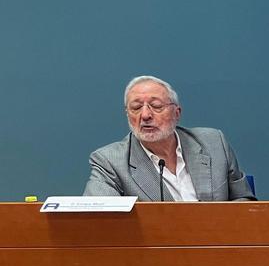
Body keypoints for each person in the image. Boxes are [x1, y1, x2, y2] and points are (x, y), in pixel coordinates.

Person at [84, 75, 255, 201]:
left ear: (176, 113)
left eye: (156, 106)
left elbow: (244, 202)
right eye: (136, 108)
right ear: (127, 114)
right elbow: (100, 218)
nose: (145, 115)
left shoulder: (213, 143)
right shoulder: (110, 161)